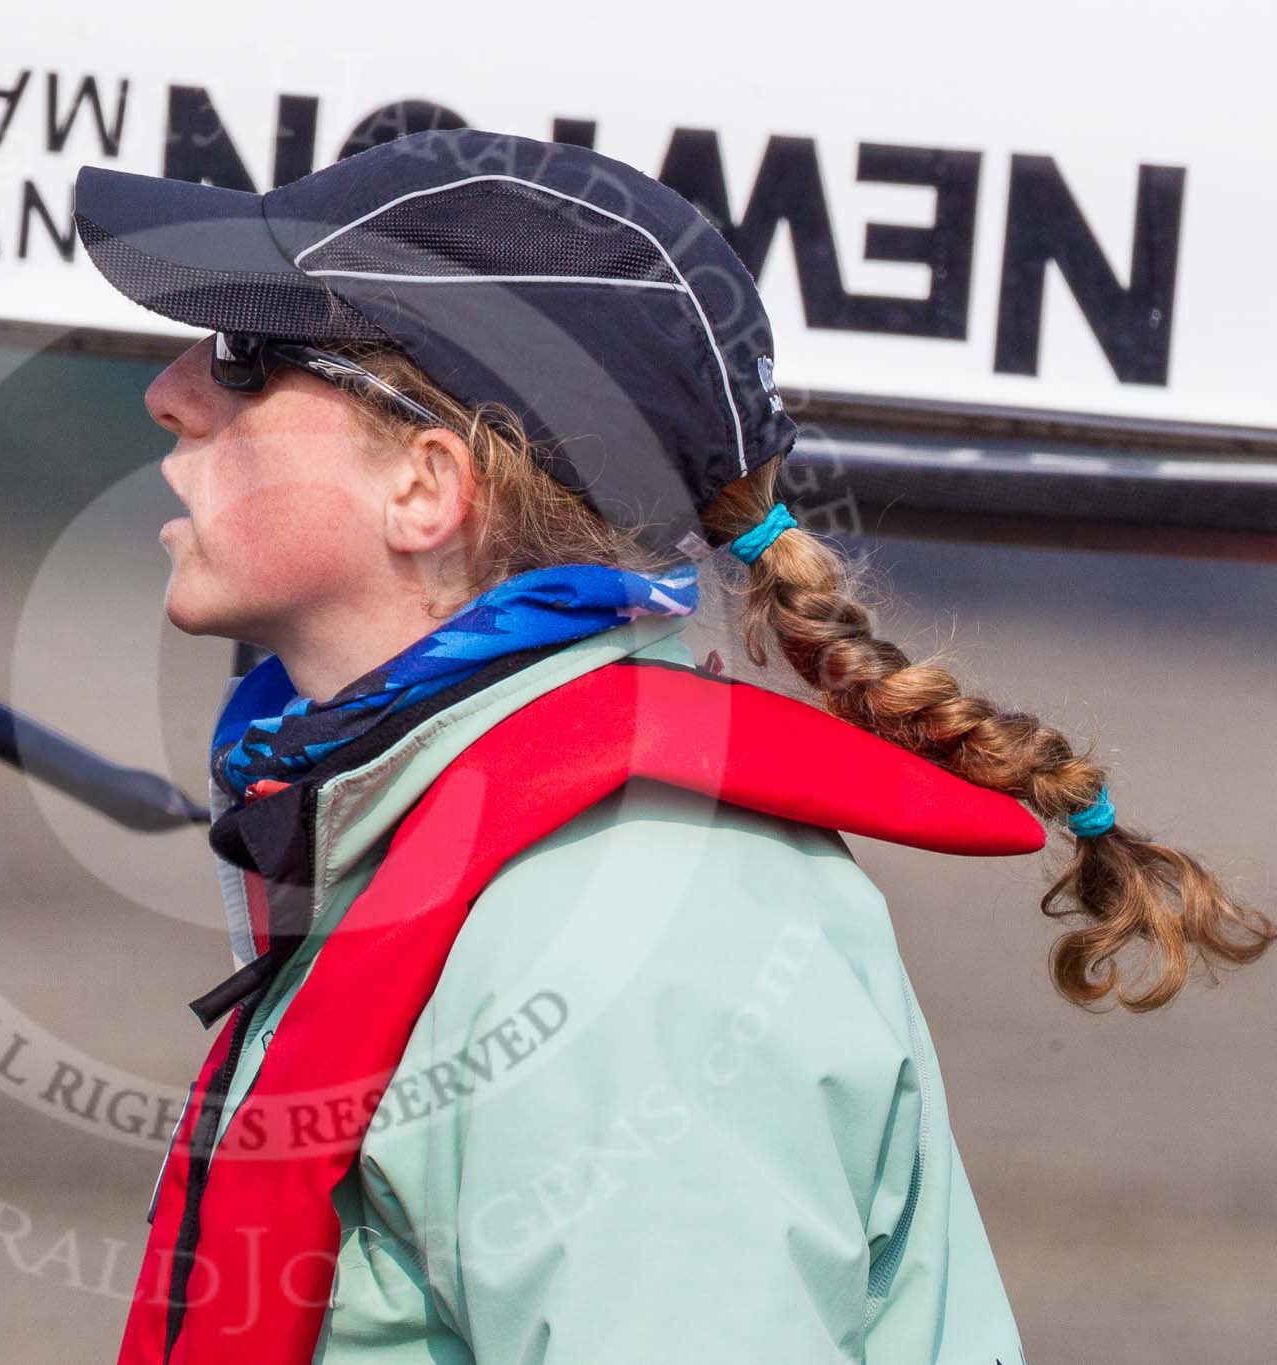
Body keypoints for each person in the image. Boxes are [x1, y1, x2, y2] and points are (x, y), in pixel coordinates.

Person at [71, 129, 1271, 1365]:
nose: (171, 389)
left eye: (246, 358)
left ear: (424, 489)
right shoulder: (460, 834)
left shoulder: (626, 921)